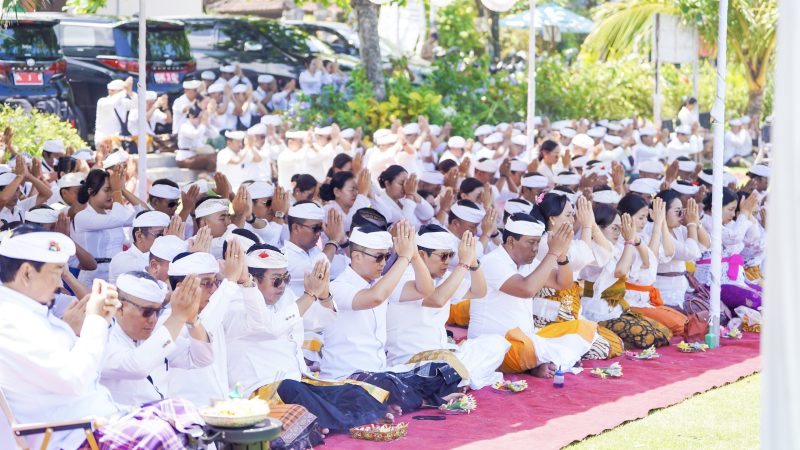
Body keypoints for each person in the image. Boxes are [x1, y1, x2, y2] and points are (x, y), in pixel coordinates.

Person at [0, 226, 203, 450]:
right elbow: (75, 380)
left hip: (97, 422)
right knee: (164, 433)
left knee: (184, 411)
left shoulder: (31, 314)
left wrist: (75, 330)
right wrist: (95, 323)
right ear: (27, 273)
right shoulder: (11, 320)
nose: (60, 284)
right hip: (74, 436)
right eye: (56, 272)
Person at [231, 245, 391, 434]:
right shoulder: (236, 303)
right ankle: (350, 420)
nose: (282, 285)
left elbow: (322, 320)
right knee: (293, 391)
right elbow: (271, 327)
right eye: (276, 280)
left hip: (300, 383)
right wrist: (309, 295)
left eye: (286, 279)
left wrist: (323, 294)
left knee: (356, 391)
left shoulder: (286, 298)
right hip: (262, 393)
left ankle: (333, 420)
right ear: (254, 280)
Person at [321, 223, 463, 414]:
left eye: (387, 256)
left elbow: (426, 290)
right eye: (379, 257)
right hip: (348, 378)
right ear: (356, 256)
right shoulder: (338, 287)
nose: (383, 263)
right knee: (386, 384)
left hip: (380, 374)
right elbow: (374, 297)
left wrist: (413, 256)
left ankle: (402, 399)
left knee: (442, 371)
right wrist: (403, 257)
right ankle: (422, 400)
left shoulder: (382, 284)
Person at [469, 213, 595, 376]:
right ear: (511, 241)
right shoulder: (492, 262)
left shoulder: (526, 263)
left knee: (583, 327)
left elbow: (563, 283)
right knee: (525, 347)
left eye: (537, 242)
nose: (535, 249)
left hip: (527, 340)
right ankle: (542, 361)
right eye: (530, 243)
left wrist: (562, 255)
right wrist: (552, 253)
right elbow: (526, 290)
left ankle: (539, 361)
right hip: (495, 345)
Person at [386, 225, 508, 389]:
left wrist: (473, 263)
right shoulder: (401, 277)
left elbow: (479, 291)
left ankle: (454, 379)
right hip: (411, 361)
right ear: (421, 255)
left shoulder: (444, 277)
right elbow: (437, 299)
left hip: (443, 354)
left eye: (451, 255)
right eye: (443, 256)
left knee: (497, 343)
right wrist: (463, 264)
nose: (448, 262)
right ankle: (455, 379)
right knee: (441, 368)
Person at [531, 194, 623, 360]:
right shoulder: (545, 242)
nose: (573, 219)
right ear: (552, 219)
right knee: (605, 348)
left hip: (570, 306)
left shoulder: (570, 242)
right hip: (551, 313)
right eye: (568, 215)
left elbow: (607, 252)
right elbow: (584, 256)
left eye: (574, 214)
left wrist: (592, 224)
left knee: (614, 342)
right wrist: (587, 226)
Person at [100, 271, 212, 406]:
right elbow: (136, 366)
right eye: (146, 312)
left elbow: (201, 359)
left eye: (157, 312)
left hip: (158, 420)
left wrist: (192, 320)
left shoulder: (156, 334)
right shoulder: (101, 339)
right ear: (120, 308)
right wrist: (177, 317)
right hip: (120, 424)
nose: (153, 319)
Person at [579, 205, 673, 348]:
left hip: (617, 308)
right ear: (598, 228)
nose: (618, 233)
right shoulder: (591, 248)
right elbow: (620, 271)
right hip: (595, 309)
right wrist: (629, 241)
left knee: (663, 332)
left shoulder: (617, 246)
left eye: (620, 228)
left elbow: (648, 261)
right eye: (614, 228)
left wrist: (634, 239)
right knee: (647, 338)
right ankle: (606, 339)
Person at [616, 195, 686, 335]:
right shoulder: (620, 241)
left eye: (645, 218)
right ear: (627, 217)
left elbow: (669, 251)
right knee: (680, 325)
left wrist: (661, 223)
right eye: (640, 218)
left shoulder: (644, 237)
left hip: (645, 300)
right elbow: (650, 259)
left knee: (683, 320)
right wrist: (657, 225)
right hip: (629, 302)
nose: (644, 222)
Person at [696, 188, 763, 311]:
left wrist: (748, 214)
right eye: (730, 209)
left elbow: (753, 238)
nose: (733, 215)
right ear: (714, 208)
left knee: (769, 295)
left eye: (734, 210)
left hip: (733, 282)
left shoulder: (726, 224)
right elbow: (734, 238)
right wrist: (743, 213)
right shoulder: (706, 222)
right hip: (712, 284)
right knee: (759, 301)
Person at [73, 169, 138, 286]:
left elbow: (146, 216)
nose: (111, 194)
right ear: (91, 191)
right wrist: (117, 190)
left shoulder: (114, 214)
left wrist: (123, 190)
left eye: (112, 190)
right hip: (92, 279)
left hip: (117, 276)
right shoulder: (82, 217)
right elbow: (117, 219)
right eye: (107, 190)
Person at [652, 189, 707, 311]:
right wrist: (691, 224)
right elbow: (691, 253)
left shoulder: (677, 229)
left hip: (681, 291)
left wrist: (696, 222)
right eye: (678, 212)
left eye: (682, 211)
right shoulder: (657, 233)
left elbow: (706, 244)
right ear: (662, 212)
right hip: (664, 296)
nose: (682, 215)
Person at [284, 201, 347, 297]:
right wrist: (334, 240)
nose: (319, 233)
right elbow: (317, 270)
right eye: (315, 228)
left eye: (321, 228)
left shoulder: (316, 251)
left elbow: (348, 263)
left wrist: (343, 240)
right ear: (296, 228)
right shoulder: (284, 257)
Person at [108, 210, 171, 283]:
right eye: (160, 235)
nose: (165, 240)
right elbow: (155, 268)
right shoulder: (121, 260)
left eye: (167, 236)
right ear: (139, 236)